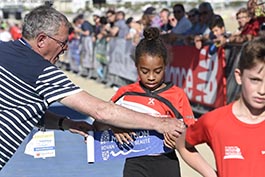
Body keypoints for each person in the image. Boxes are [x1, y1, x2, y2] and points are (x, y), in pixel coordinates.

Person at [0, 5, 186, 171]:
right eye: (62, 43)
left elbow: (24, 109)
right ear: (41, 40)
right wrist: (161, 123)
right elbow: (102, 111)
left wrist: (66, 123)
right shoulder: (40, 70)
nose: (65, 49)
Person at [94, 27, 195, 177]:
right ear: (136, 66)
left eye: (158, 71)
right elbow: (97, 124)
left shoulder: (177, 95)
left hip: (166, 162)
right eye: (145, 71)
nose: (151, 77)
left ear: (166, 65)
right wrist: (114, 127)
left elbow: (191, 136)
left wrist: (178, 139)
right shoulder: (125, 93)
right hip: (135, 162)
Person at [175, 37, 265, 177]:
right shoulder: (215, 121)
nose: (262, 90)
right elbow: (182, 142)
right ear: (239, 76)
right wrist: (210, 174)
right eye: (255, 80)